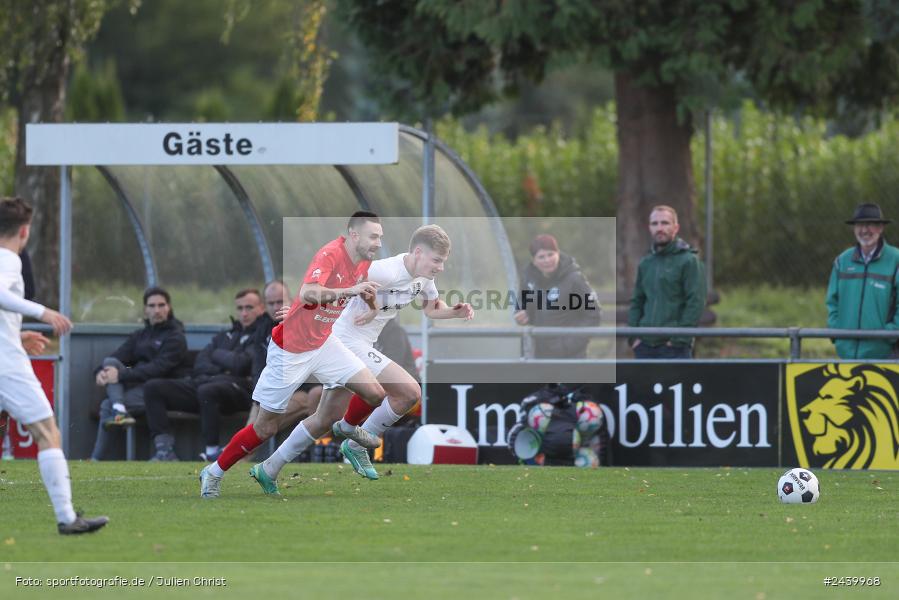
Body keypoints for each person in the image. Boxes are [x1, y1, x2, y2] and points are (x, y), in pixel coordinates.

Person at [250, 224, 474, 492]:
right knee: (408, 392)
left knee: (324, 418)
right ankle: (356, 443)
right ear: (417, 252)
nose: (440, 267)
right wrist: (302, 311)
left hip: (359, 344)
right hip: (344, 340)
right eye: (437, 260)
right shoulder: (384, 269)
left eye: (443, 262)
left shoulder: (425, 278)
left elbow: (432, 309)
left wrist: (455, 312)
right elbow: (335, 282)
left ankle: (268, 468)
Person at [199, 211, 387, 498]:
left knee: (375, 393)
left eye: (380, 237)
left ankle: (348, 433)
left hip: (324, 343)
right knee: (264, 427)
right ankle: (213, 472)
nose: (378, 242)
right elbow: (310, 292)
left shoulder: (364, 261)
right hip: (290, 350)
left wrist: (371, 305)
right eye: (374, 236)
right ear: (354, 235)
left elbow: (359, 292)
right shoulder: (330, 254)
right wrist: (350, 290)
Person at [0, 197, 107, 534]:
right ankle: (66, 518)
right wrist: (42, 312)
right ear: (24, 231)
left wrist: (18, 335)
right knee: (48, 433)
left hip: (8, 353)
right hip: (6, 365)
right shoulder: (8, 258)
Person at [143, 288, 265, 461]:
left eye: (249, 308)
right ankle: (164, 450)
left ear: (261, 308)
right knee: (153, 387)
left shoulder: (262, 335)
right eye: (240, 308)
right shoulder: (226, 335)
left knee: (208, 390)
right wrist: (222, 367)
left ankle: (211, 452)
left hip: (240, 391)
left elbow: (241, 364)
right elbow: (200, 362)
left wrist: (216, 354)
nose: (244, 313)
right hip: (205, 384)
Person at [89, 287, 190, 461]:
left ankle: (97, 456)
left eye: (161, 305)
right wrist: (100, 372)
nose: (156, 310)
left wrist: (120, 376)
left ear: (169, 307)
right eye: (152, 306)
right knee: (109, 363)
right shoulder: (140, 335)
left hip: (164, 390)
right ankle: (118, 411)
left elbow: (159, 369)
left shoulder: (176, 336)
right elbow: (118, 356)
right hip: (141, 388)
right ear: (145, 310)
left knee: (107, 404)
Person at [628, 205, 706, 359]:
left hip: (674, 347)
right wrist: (634, 338)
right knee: (643, 384)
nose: (659, 228)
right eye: (654, 224)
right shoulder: (646, 263)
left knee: (676, 383)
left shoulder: (689, 261)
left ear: (676, 228)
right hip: (644, 345)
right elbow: (637, 301)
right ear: (649, 228)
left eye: (665, 223)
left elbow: (695, 303)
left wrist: (679, 339)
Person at [245, 279, 323, 432]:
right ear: (264, 306)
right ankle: (229, 455)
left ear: (291, 300)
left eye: (280, 301)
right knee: (252, 427)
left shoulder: (305, 322)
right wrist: (260, 394)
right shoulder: (263, 329)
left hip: (303, 391)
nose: (276, 307)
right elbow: (258, 366)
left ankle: (229, 455)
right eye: (271, 303)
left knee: (259, 428)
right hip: (271, 391)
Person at [826, 203, 899, 359]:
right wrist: (836, 331)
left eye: (871, 224)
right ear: (854, 228)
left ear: (881, 228)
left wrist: (890, 334)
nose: (865, 230)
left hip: (886, 354)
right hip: (846, 354)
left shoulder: (896, 260)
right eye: (860, 225)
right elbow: (832, 302)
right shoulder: (842, 261)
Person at [513, 234, 601, 358]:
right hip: (539, 354)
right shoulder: (529, 279)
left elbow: (593, 315)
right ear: (534, 261)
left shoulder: (574, 280)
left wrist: (568, 345)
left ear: (558, 254)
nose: (547, 260)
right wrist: (521, 314)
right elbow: (522, 306)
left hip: (570, 356)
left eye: (550, 254)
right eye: (541, 257)